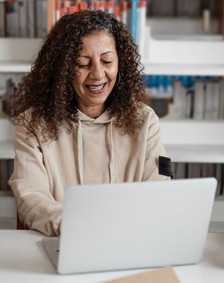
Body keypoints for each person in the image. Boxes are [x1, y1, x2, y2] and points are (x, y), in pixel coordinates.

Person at [9, 10, 172, 237]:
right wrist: (74, 226)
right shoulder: (33, 123)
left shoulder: (145, 121)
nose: (97, 74)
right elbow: (31, 197)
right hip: (63, 240)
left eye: (106, 61)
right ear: (64, 69)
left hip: (128, 240)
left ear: (120, 64)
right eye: (83, 64)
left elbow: (158, 191)